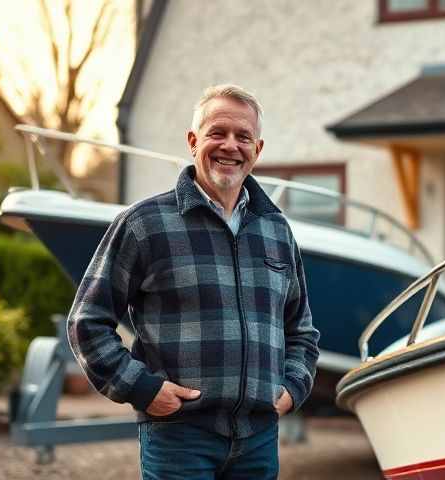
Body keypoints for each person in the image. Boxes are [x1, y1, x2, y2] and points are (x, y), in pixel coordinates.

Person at [67, 84, 320, 479]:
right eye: (217, 133)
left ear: (258, 149)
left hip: (258, 439)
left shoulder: (276, 230)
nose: (230, 146)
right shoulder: (144, 225)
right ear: (192, 141)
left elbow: (301, 331)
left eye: (243, 137)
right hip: (178, 439)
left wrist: (291, 391)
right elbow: (87, 321)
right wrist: (143, 390)